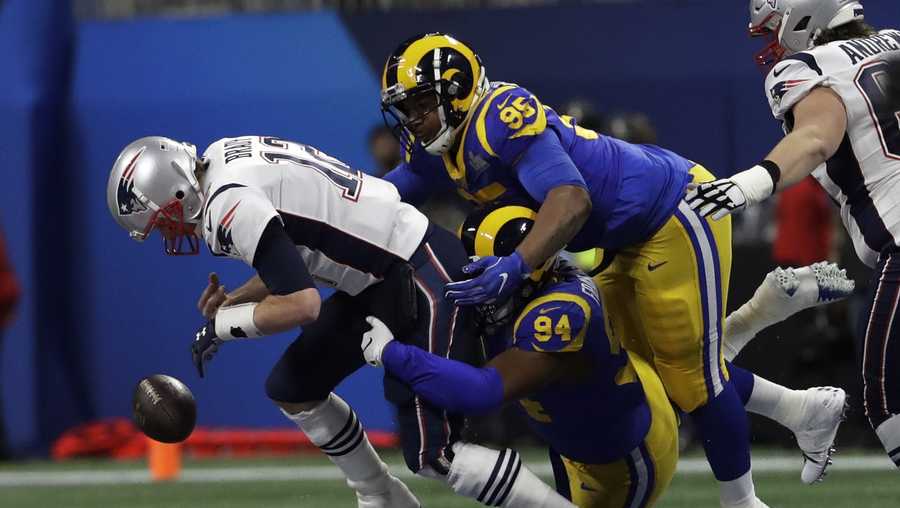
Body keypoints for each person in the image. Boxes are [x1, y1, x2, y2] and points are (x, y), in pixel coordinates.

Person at [378, 33, 841, 504]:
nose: (414, 119)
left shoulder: (497, 119)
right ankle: (801, 408)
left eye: (421, 103)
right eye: (407, 108)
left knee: (692, 376)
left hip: (669, 211)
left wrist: (517, 265)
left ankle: (743, 501)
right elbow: (394, 191)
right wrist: (340, 199)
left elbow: (571, 199)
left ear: (457, 91)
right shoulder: (445, 145)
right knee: (642, 367)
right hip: (618, 237)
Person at [106, 135, 569, 507]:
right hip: (378, 276)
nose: (169, 232)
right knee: (294, 386)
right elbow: (300, 253)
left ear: (177, 190)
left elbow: (303, 304)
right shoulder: (226, 156)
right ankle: (381, 497)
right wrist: (237, 300)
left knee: (435, 455)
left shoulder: (227, 204)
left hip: (414, 269)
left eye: (162, 220)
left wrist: (223, 327)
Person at [359, 205, 855, 507]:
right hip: (624, 392)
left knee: (678, 371)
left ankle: (756, 335)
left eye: (489, 273)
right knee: (678, 365)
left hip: (623, 461)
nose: (478, 286)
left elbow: (482, 392)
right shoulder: (549, 285)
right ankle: (774, 366)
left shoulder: (554, 314)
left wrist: (392, 354)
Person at [686, 0, 900, 470]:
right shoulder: (895, 43)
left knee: (890, 405)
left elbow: (816, 137)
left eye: (772, 32)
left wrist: (750, 182)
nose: (772, 46)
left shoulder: (812, 64)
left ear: (802, 20)